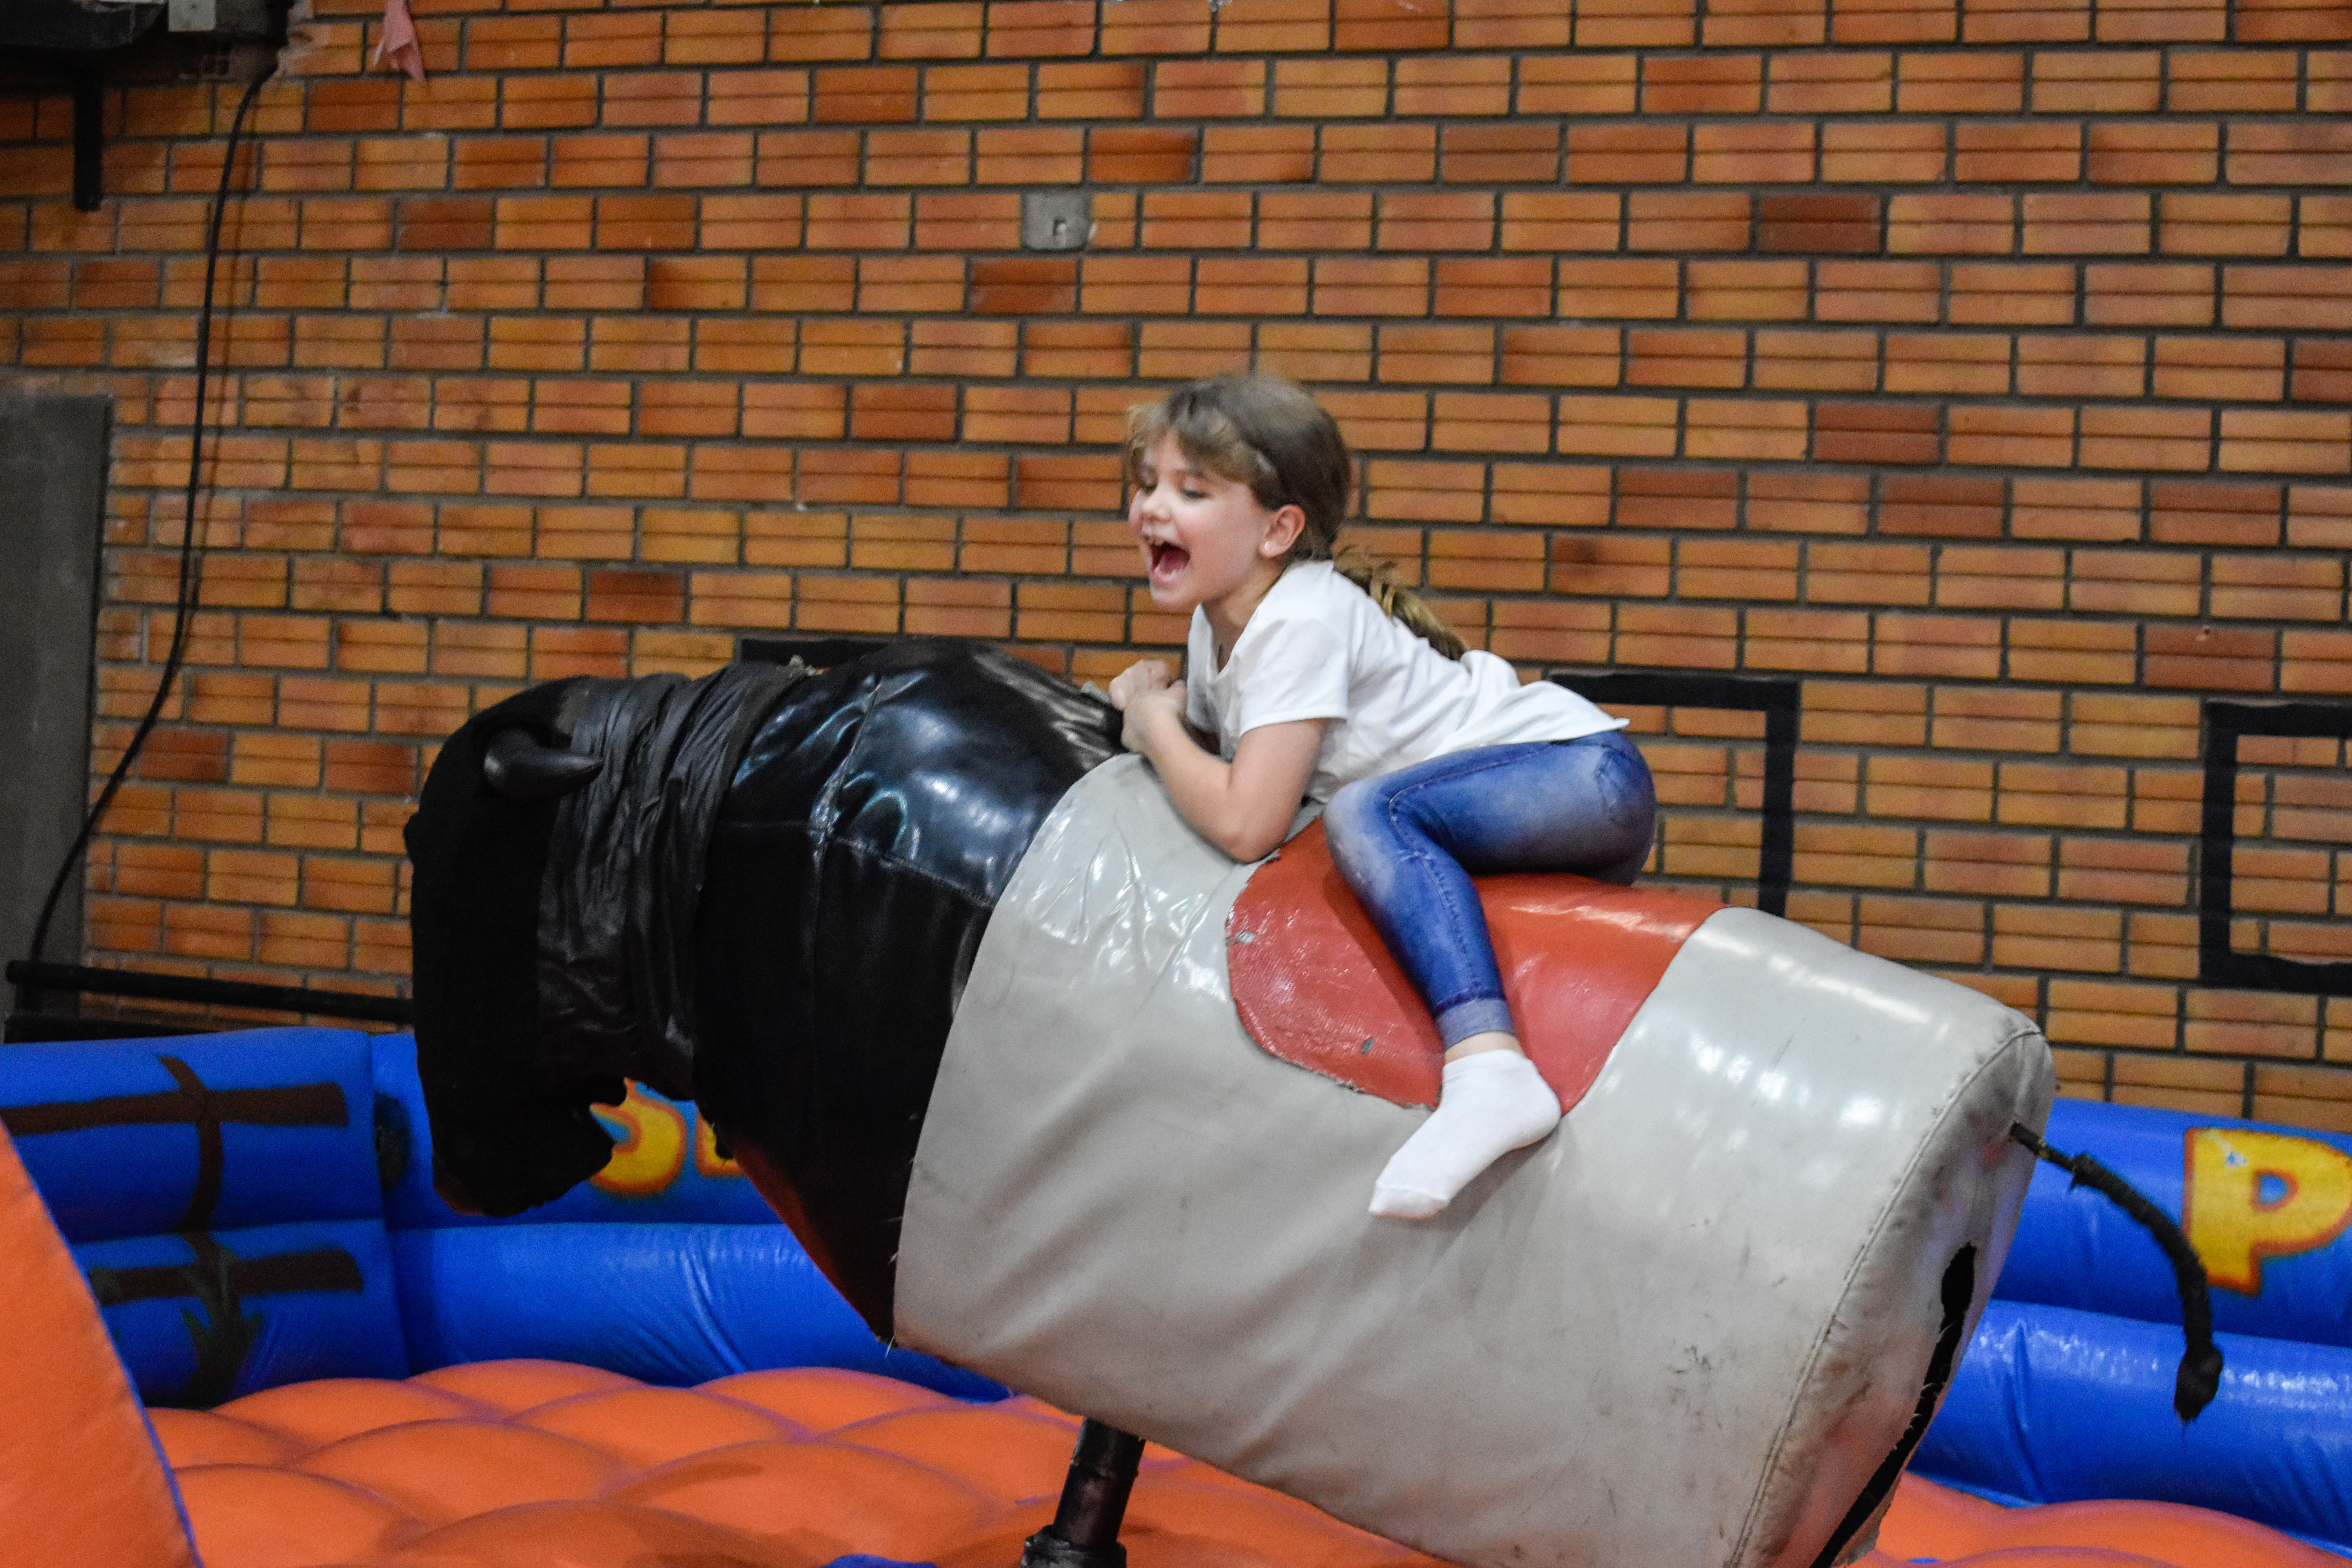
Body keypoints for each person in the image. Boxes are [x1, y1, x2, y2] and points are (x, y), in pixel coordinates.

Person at [1106, 375, 1657, 1220]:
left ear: (1279, 529)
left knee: (1369, 810)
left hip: (1580, 773)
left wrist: (1152, 722)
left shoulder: (1303, 618)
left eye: (1192, 490)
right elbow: (1223, 773)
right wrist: (1166, 713)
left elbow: (1247, 821)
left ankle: (1489, 1068)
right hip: (1524, 798)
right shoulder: (1219, 625)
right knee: (1363, 815)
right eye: (1147, 483)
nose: (1152, 507)